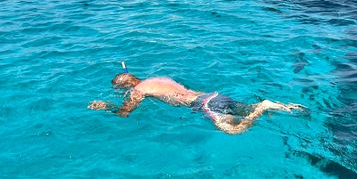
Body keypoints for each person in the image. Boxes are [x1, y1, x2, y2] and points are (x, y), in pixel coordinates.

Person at [88, 72, 305, 135]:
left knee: (234, 130)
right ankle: (280, 106)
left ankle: (265, 106)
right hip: (214, 96)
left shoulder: (138, 90)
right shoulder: (158, 78)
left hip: (206, 105)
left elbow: (125, 114)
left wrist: (106, 106)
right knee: (245, 109)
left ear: (126, 86)